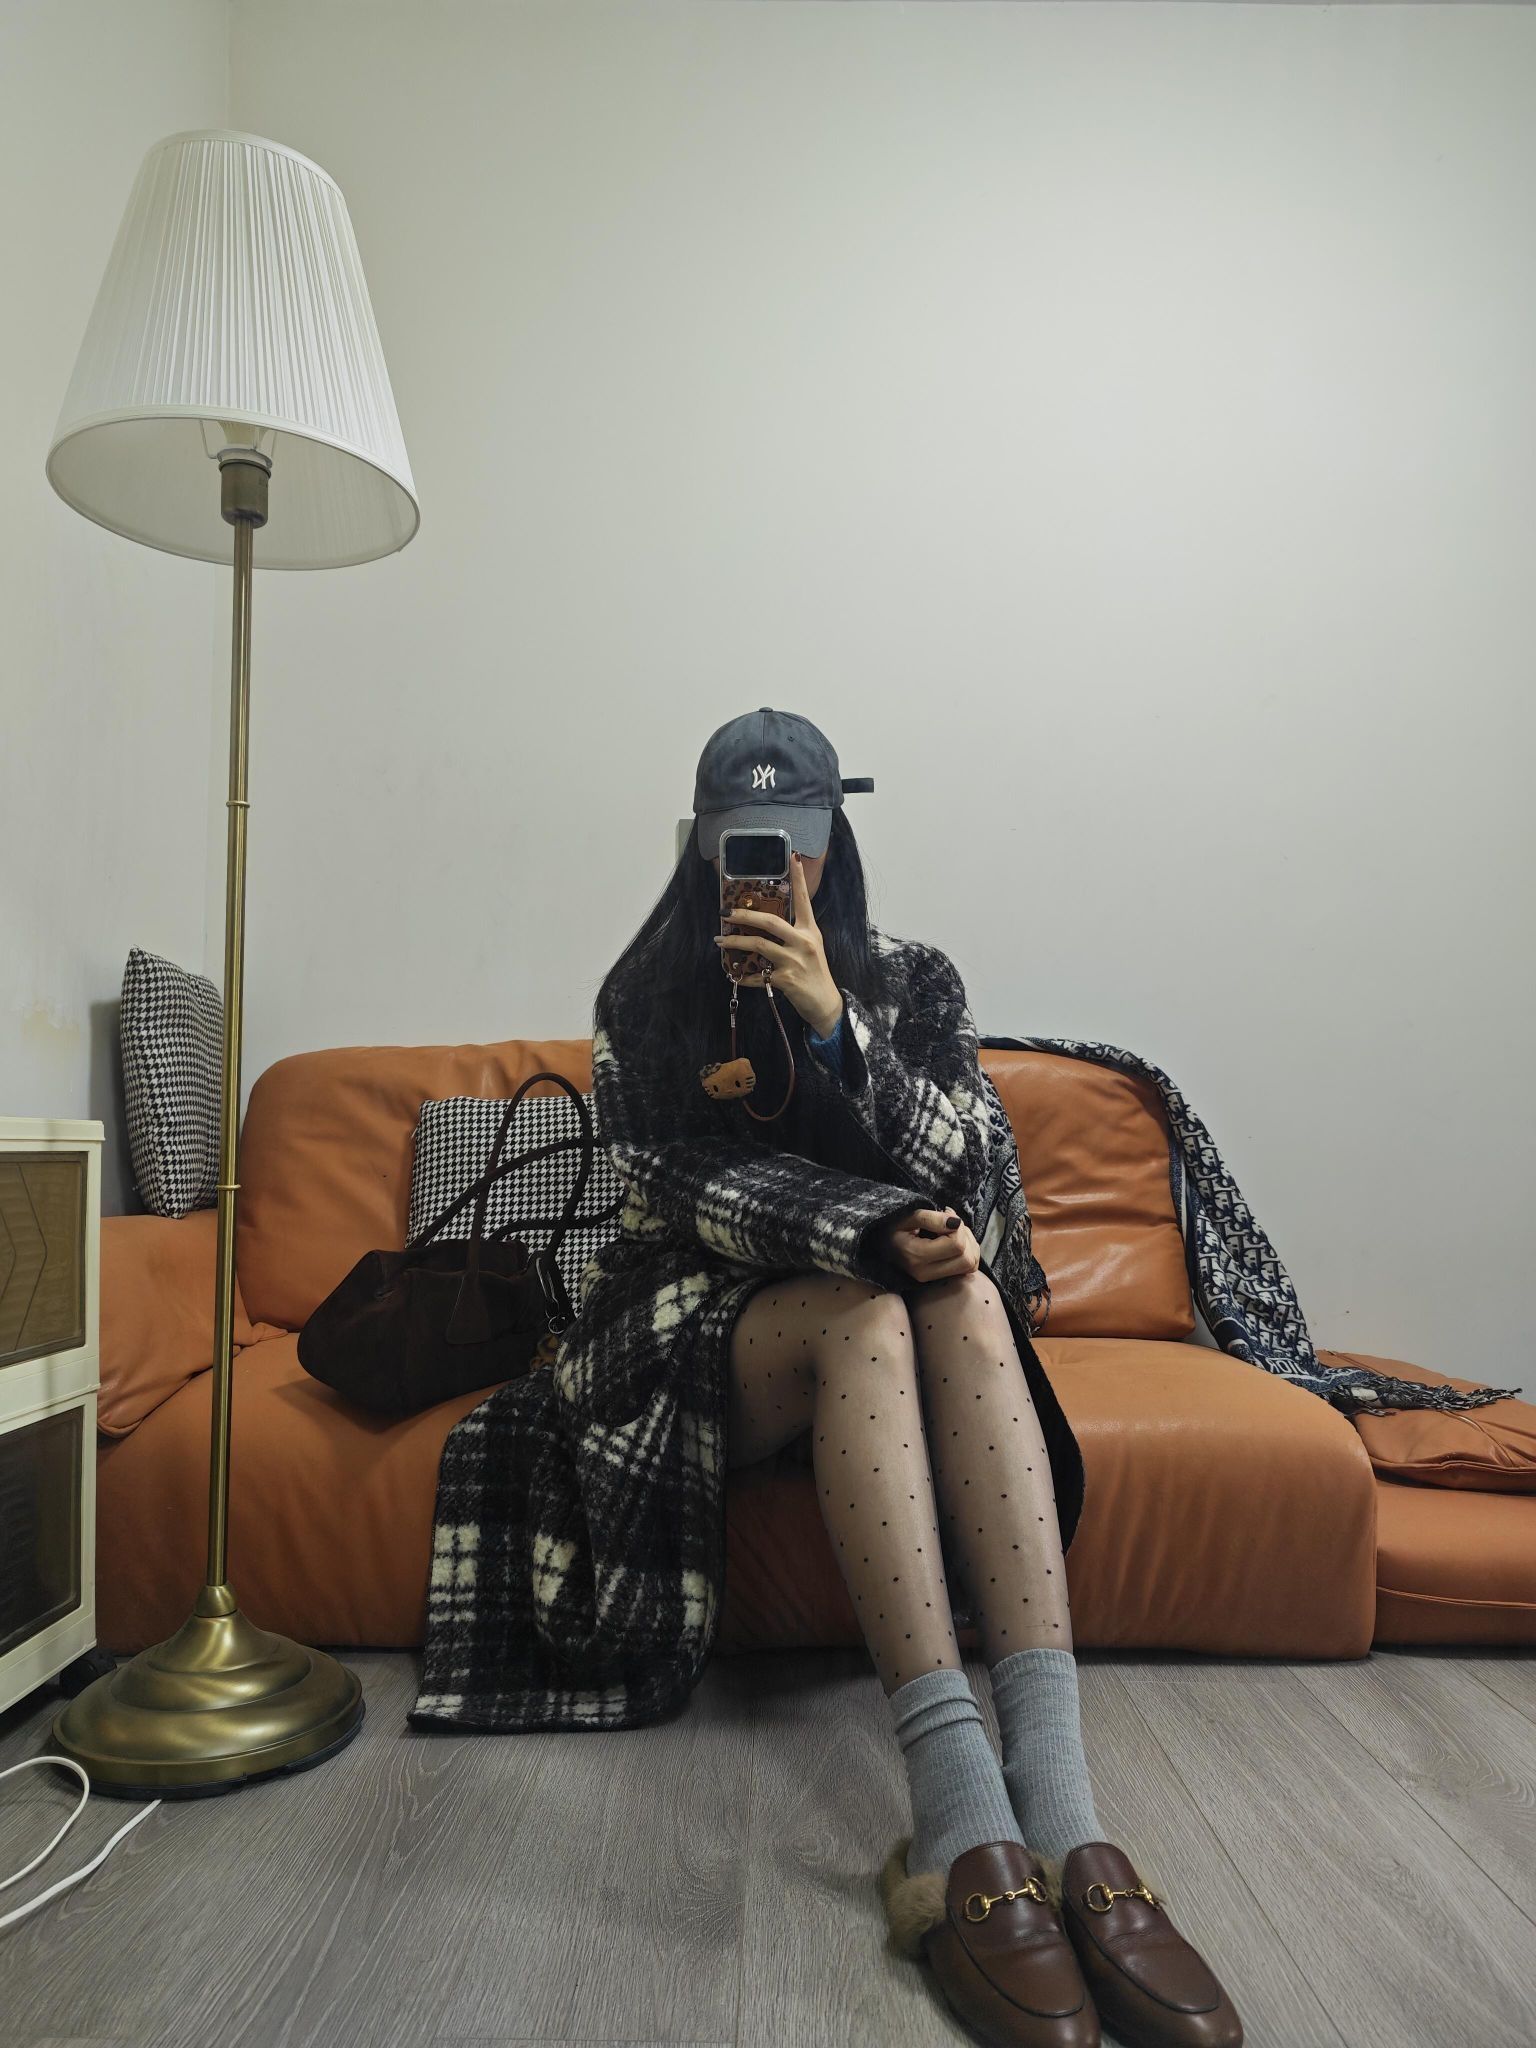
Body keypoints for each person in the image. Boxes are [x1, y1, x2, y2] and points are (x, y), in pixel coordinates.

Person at [590, 708, 1243, 2048]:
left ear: (836, 838)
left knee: (954, 1295)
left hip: (884, 1307)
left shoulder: (914, 982)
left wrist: (837, 1026)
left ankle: (1055, 1804)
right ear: (701, 848)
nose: (774, 874)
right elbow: (668, 1187)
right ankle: (954, 1806)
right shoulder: (644, 996)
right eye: (744, 848)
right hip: (705, 1328)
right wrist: (863, 1229)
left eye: (796, 844)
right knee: (869, 1312)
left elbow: (972, 1179)